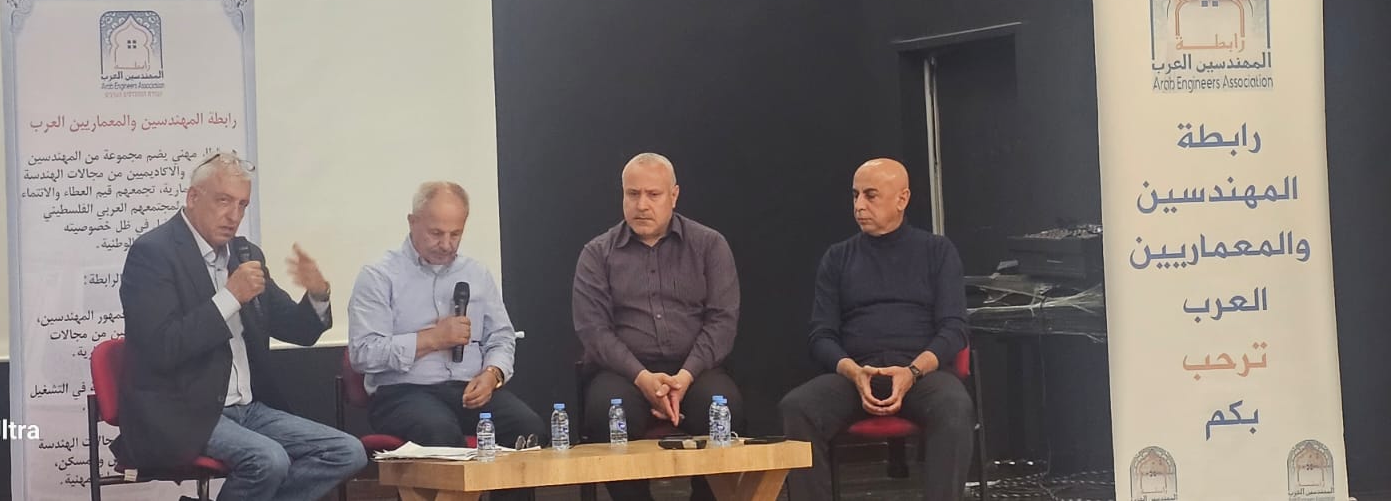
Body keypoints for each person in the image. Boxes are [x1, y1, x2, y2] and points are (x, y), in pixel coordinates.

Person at [118, 151, 366, 501]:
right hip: (183, 412)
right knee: (269, 460)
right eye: (223, 201)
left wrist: (317, 294)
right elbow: (162, 348)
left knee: (347, 452)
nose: (234, 216)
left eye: (242, 205)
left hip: (250, 408)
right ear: (193, 197)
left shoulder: (245, 255)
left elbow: (298, 330)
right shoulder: (153, 253)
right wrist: (230, 297)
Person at [779, 158, 973, 501]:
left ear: (902, 199)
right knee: (797, 407)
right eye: (855, 195)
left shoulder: (937, 251)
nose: (859, 206)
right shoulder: (837, 258)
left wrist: (912, 371)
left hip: (920, 375)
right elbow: (821, 335)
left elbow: (954, 328)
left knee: (954, 406)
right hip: (857, 375)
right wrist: (853, 372)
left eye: (870, 196)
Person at [347, 181, 542, 501]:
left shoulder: (476, 273)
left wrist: (492, 374)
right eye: (436, 233)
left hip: (468, 390)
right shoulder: (379, 276)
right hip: (402, 393)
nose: (446, 244)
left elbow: (501, 335)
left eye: (456, 234)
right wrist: (432, 339)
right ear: (412, 222)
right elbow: (363, 353)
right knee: (439, 432)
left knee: (528, 427)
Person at [572, 153, 741, 501]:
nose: (642, 205)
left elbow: (723, 321)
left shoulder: (709, 245)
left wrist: (685, 376)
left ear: (674, 196)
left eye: (653, 194)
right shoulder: (597, 253)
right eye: (632, 194)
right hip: (624, 372)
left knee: (725, 409)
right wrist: (642, 378)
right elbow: (594, 330)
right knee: (608, 413)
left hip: (695, 369)